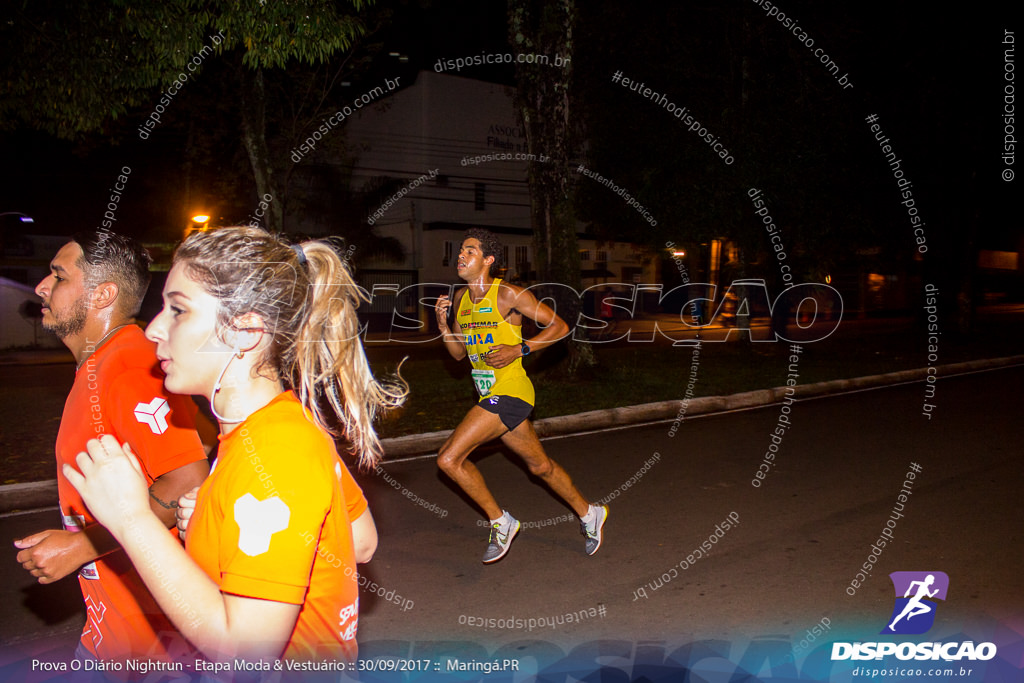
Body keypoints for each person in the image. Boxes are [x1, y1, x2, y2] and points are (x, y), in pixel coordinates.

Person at [64, 226, 406, 664]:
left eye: (178, 311)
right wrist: (217, 516)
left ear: (245, 332)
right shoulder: (280, 426)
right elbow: (359, 542)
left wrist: (132, 520)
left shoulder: (274, 451)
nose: (153, 329)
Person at [14, 229, 211, 663]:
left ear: (102, 294)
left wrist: (80, 546)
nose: (41, 287)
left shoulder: (131, 365)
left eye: (59, 277)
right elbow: (203, 436)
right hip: (113, 629)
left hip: (153, 648)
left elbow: (189, 475)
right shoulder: (103, 365)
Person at [433, 228, 608, 563]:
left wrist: (520, 348)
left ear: (488, 260)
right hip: (488, 394)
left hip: (512, 392)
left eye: (469, 251)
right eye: (460, 251)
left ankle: (501, 522)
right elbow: (457, 354)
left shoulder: (508, 295)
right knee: (540, 466)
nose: (461, 256)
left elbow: (559, 325)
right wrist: (443, 325)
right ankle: (590, 514)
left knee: (448, 459)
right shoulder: (460, 300)